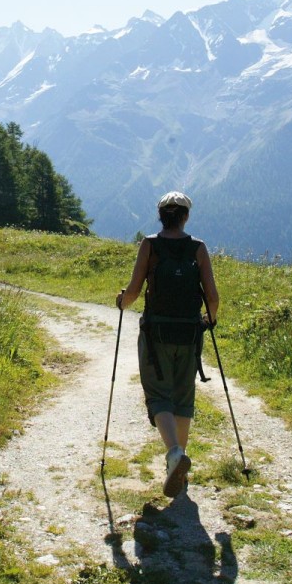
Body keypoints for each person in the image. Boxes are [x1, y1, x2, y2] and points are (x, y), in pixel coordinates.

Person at [115, 191, 220, 499]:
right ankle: (179, 463)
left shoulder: (150, 245)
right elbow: (212, 297)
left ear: (161, 215)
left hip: (156, 332)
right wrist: (208, 321)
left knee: (159, 394)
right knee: (183, 396)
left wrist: (122, 302)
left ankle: (175, 454)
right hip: (189, 334)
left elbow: (134, 292)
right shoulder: (198, 248)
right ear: (185, 216)